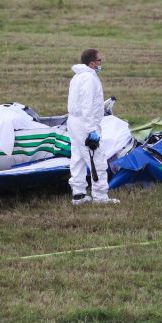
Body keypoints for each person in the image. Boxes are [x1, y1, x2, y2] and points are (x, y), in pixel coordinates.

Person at [67, 48, 118, 206]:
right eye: (99, 60)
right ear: (92, 63)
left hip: (74, 122)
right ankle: (100, 196)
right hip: (85, 124)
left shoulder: (77, 77)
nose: (101, 63)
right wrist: (91, 131)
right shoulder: (89, 78)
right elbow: (87, 105)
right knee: (97, 158)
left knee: (78, 158)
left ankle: (79, 195)